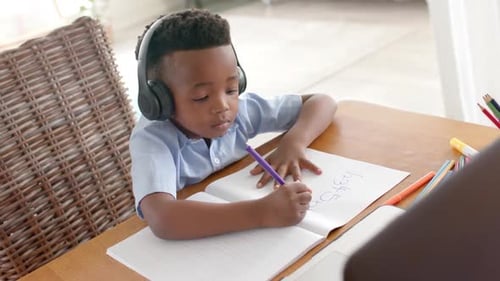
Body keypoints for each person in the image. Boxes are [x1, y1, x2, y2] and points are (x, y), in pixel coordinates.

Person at [130, 9, 337, 240]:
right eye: (201, 97)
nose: (223, 106)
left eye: (231, 89)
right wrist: (262, 212)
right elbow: (163, 218)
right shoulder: (153, 140)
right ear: (159, 100)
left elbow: (323, 102)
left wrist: (294, 142)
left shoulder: (241, 111)